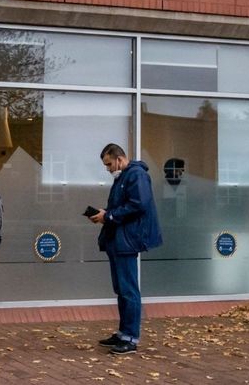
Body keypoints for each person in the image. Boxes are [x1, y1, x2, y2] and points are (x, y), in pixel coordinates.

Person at [89, 143, 163, 355]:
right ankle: (123, 333)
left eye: (109, 164)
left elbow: (139, 204)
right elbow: (128, 205)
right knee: (122, 288)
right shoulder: (124, 177)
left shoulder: (136, 175)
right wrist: (105, 214)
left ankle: (130, 337)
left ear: (119, 159)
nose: (108, 168)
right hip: (119, 239)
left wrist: (109, 216)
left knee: (128, 289)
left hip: (127, 240)